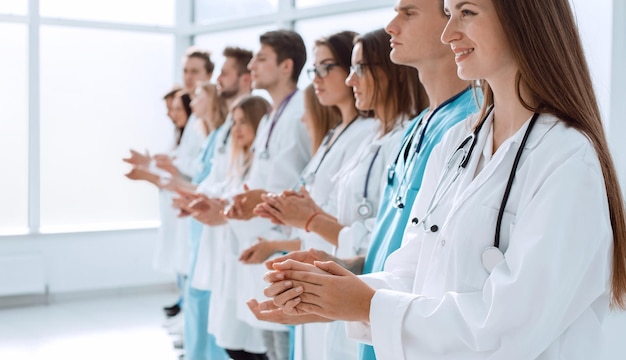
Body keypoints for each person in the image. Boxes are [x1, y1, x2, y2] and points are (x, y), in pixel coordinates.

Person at [263, 0, 626, 359]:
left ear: (523, 18)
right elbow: (415, 270)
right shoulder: (458, 144)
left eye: (466, 13)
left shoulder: (567, 159)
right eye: (449, 14)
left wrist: (367, 304)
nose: (448, 32)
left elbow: (509, 327)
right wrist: (332, 295)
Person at [254, 28, 424, 360]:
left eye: (356, 69)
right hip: (338, 273)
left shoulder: (398, 136)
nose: (350, 80)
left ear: (388, 70)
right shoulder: (368, 136)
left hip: (361, 282)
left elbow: (380, 234)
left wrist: (311, 219)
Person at [220, 30, 310, 360]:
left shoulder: (302, 111)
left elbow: (308, 181)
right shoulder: (273, 114)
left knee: (284, 342)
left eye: (261, 58)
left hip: (286, 241)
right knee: (270, 341)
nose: (253, 65)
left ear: (286, 66)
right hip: (262, 236)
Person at [175, 46, 254, 360]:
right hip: (213, 224)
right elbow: (215, 177)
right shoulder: (221, 132)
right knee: (205, 304)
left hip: (236, 231)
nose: (220, 79)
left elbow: (246, 181)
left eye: (225, 72)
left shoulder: (249, 123)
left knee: (232, 328)